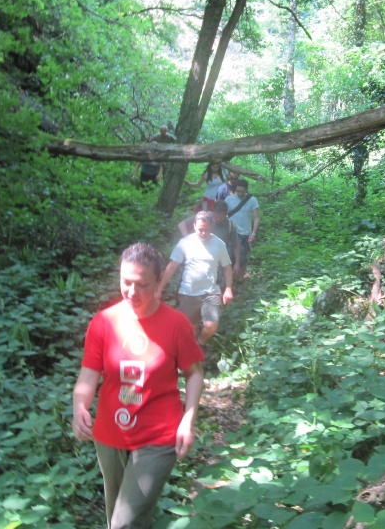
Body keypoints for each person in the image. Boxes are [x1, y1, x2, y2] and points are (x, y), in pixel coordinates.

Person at [72, 243, 204, 529]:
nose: (132, 292)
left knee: (124, 523)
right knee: (119, 520)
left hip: (158, 435)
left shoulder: (176, 324)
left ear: (159, 282)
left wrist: (187, 420)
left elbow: (194, 373)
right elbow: (88, 374)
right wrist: (79, 405)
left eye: (142, 284)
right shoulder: (104, 322)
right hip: (110, 432)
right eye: (126, 282)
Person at [158, 211, 233, 344]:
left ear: (212, 227)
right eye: (200, 230)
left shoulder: (219, 244)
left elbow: (227, 267)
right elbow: (172, 266)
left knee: (211, 325)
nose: (203, 233)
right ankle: (192, 351)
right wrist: (159, 289)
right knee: (189, 328)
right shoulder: (185, 242)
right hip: (188, 293)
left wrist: (228, 289)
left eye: (206, 230)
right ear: (194, 226)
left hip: (211, 292)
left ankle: (200, 342)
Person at [178, 200, 241, 288]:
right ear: (212, 211)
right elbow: (182, 225)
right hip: (196, 256)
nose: (218, 219)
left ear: (226, 214)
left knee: (216, 285)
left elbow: (236, 245)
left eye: (221, 217)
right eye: (216, 216)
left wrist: (237, 263)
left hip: (217, 261)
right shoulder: (204, 217)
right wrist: (188, 239)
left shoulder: (230, 225)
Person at [224, 179, 260, 283]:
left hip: (245, 234)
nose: (240, 193)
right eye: (238, 191)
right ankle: (229, 280)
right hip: (231, 233)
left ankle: (239, 280)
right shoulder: (229, 199)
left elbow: (257, 218)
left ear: (246, 190)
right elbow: (224, 215)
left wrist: (253, 233)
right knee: (229, 257)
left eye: (242, 191)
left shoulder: (252, 200)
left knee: (243, 258)